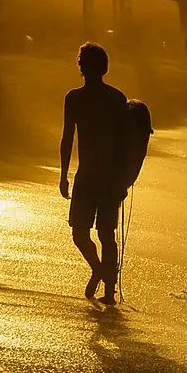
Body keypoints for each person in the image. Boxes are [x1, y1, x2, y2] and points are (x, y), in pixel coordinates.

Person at [59, 43, 128, 304]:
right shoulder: (115, 98)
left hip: (93, 176)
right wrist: (124, 178)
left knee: (88, 233)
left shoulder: (78, 98)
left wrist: (64, 175)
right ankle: (102, 276)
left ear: (82, 66)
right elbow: (125, 143)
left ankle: (106, 285)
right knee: (100, 234)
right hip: (104, 176)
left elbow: (68, 138)